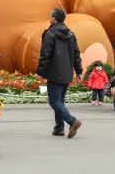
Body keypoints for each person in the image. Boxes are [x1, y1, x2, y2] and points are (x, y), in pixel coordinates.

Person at [37, 8, 83, 139]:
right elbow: (76, 54)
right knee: (60, 101)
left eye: (50, 15)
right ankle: (59, 128)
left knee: (54, 101)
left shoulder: (50, 34)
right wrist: (78, 70)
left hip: (54, 72)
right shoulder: (71, 34)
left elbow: (45, 54)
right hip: (67, 73)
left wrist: (40, 72)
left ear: (54, 19)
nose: (49, 17)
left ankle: (72, 121)